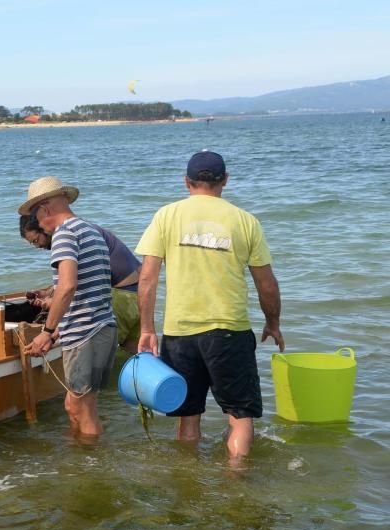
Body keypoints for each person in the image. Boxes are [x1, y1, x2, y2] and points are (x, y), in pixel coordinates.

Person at [135, 150, 283, 459]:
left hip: (179, 333)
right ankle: (237, 484)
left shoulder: (166, 215)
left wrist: (147, 328)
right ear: (225, 181)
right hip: (229, 330)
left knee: (188, 417)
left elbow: (147, 278)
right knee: (240, 416)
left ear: (186, 182)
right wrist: (273, 322)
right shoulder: (246, 221)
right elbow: (266, 283)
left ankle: (188, 485)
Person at [19, 176, 118, 436]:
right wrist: (58, 334)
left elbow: (67, 286)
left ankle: (90, 469)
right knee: (76, 405)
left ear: (44, 208)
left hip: (85, 334)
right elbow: (92, 288)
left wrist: (47, 331)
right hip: (103, 327)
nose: (38, 223)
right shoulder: (90, 230)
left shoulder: (64, 234)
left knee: (81, 410)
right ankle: (81, 462)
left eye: (35, 216)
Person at [20, 212, 141, 354]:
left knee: (105, 355)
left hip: (121, 298)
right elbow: (84, 275)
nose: (37, 246)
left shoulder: (67, 235)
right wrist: (48, 292)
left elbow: (73, 290)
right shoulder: (86, 229)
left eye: (36, 240)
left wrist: (50, 333)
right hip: (138, 293)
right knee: (135, 353)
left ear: (43, 226)